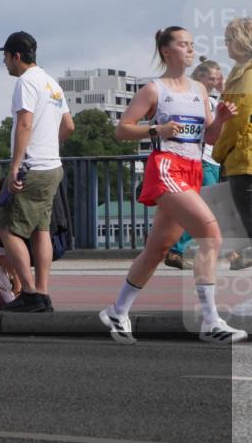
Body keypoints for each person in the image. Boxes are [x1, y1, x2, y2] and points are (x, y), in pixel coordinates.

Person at [99, 26, 244, 345]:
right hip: (166, 168)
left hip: (192, 168)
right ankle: (210, 321)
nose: (190, 50)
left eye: (192, 45)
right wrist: (158, 128)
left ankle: (117, 309)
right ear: (167, 51)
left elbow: (209, 138)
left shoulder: (199, 90)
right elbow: (122, 130)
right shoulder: (155, 90)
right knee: (210, 234)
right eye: (183, 45)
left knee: (157, 249)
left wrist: (219, 119)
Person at [0, 31, 75, 312]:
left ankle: (28, 292)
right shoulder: (51, 83)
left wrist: (15, 165)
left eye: (5, 57)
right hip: (52, 167)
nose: (4, 63)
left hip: (31, 168)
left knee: (6, 227)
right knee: (41, 230)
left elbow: (25, 124)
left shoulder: (26, 83)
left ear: (16, 56)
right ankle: (42, 292)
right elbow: (69, 127)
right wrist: (49, 145)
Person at [165, 58, 225, 269]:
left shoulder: (208, 100)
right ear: (199, 77)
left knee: (203, 209)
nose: (214, 82)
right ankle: (177, 248)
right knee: (207, 209)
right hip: (204, 160)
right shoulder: (201, 99)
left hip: (210, 160)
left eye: (217, 78)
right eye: (211, 78)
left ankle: (175, 248)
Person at [212, 17, 252, 271]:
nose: (225, 46)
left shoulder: (245, 75)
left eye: (228, 40)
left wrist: (218, 151)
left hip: (245, 159)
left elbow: (237, 119)